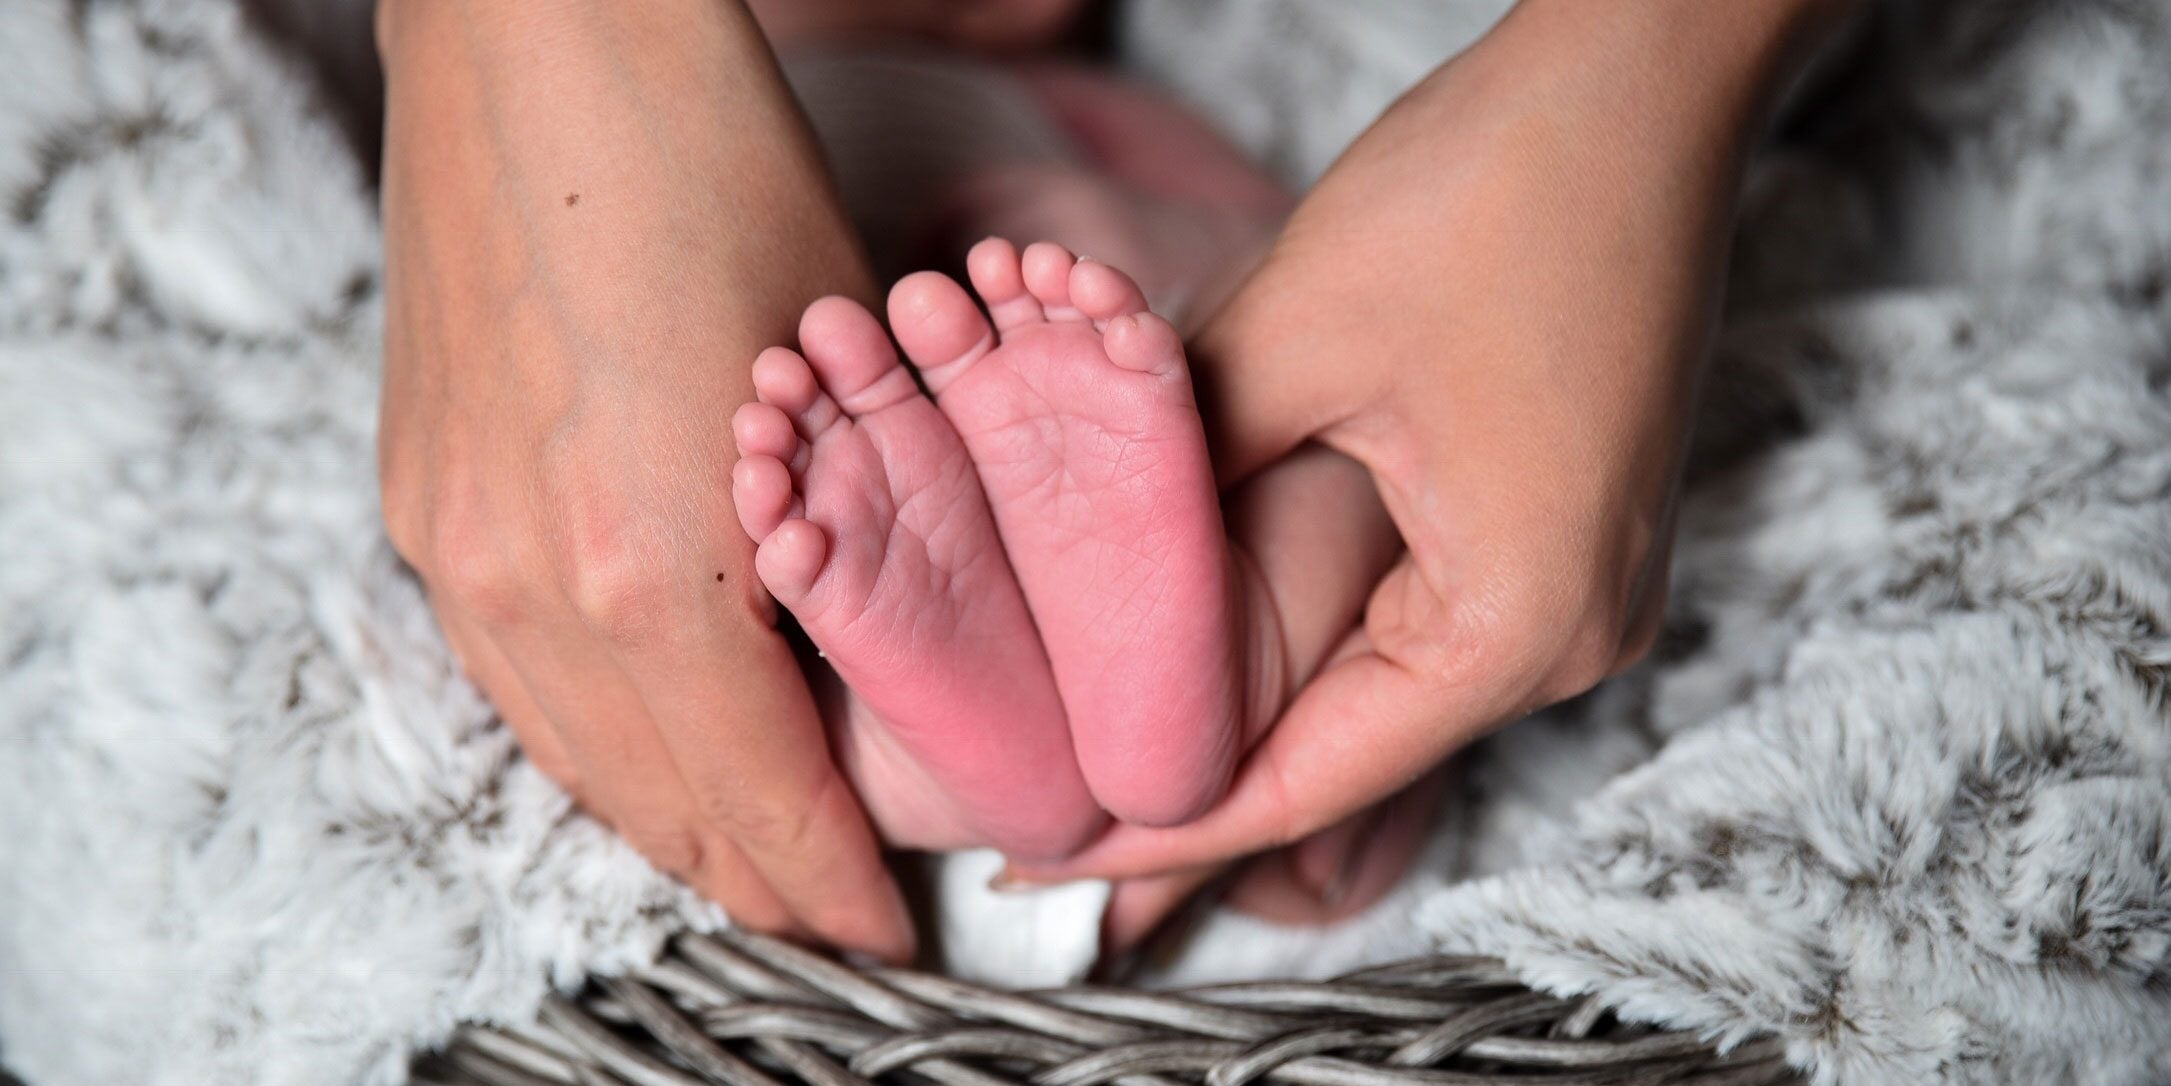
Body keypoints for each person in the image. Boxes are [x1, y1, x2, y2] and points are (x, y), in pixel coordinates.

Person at [373, 0, 1863, 962]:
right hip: (1059, 314)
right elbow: (1264, 241)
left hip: (898, 368)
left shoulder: (744, 102)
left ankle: (977, 736)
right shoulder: (754, 99)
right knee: (1299, 467)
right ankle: (1205, 676)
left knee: (787, 602)